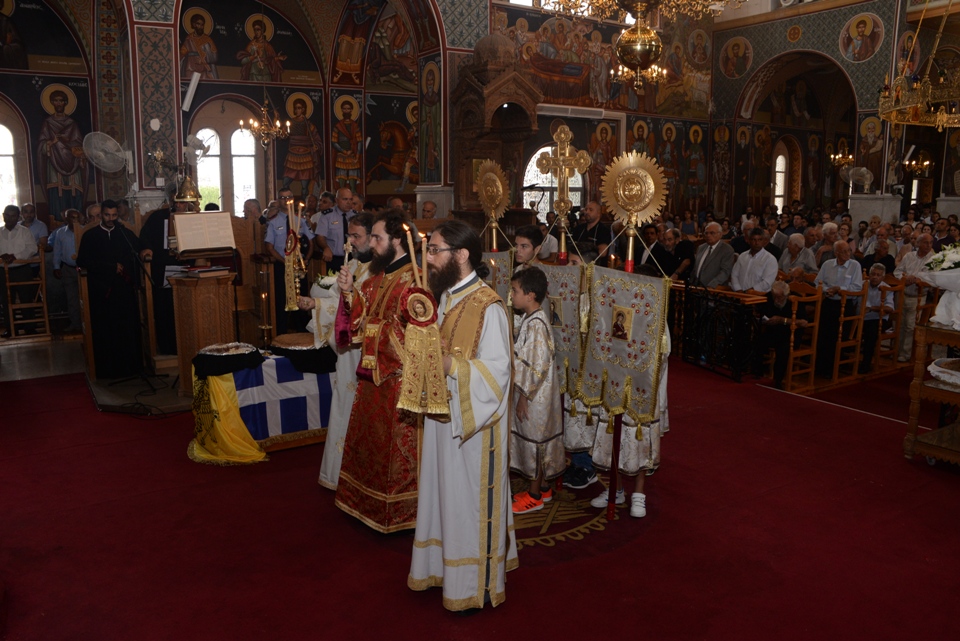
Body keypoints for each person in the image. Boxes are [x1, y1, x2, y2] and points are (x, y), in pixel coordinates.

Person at [409, 219, 518, 610]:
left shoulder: (489, 306)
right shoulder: (444, 298)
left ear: (462, 254)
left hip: (474, 430)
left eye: (435, 250)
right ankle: (441, 570)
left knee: (466, 502)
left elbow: (499, 373)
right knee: (443, 496)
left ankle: (473, 584)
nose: (429, 258)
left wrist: (450, 366)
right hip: (443, 418)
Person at [334, 208, 420, 532]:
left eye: (377, 238)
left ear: (397, 240)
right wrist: (348, 292)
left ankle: (399, 511)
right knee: (368, 446)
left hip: (398, 382)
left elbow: (417, 337)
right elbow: (355, 324)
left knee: (394, 454)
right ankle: (363, 503)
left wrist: (375, 329)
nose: (371, 244)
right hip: (371, 379)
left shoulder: (415, 280)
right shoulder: (375, 279)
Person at [300, 212, 374, 490]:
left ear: (373, 237)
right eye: (349, 235)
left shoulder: (380, 270)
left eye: (357, 236)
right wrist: (316, 304)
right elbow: (338, 302)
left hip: (367, 349)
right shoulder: (352, 264)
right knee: (344, 402)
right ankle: (339, 472)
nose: (350, 242)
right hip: (349, 351)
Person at [75, 200, 152, 378]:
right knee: (106, 330)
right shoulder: (90, 236)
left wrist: (145, 251)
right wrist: (109, 267)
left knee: (127, 328)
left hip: (124, 289)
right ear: (101, 215)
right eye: (107, 215)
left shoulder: (125, 233)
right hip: (102, 290)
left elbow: (139, 247)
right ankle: (107, 370)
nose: (111, 219)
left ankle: (131, 368)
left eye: (114, 215)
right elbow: (83, 261)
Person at [509, 267, 563, 514]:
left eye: (515, 291)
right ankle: (543, 487)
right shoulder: (532, 319)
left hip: (535, 396)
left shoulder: (537, 325)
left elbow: (535, 366)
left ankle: (533, 496)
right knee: (538, 440)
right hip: (537, 393)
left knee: (536, 443)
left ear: (530, 295)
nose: (512, 295)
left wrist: (524, 397)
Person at [263, 199, 314, 335]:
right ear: (279, 201)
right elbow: (269, 246)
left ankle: (302, 334)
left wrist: (306, 259)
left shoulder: (301, 220)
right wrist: (284, 262)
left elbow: (311, 241)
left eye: (288, 197)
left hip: (299, 266)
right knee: (281, 300)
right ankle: (282, 334)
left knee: (301, 298)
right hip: (282, 266)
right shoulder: (273, 222)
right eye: (283, 198)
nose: (286, 201)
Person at [814, 240, 863, 377]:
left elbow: (857, 287)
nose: (848, 253)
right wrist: (827, 290)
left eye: (849, 250)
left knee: (837, 337)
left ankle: (833, 369)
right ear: (836, 253)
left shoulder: (854, 265)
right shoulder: (827, 264)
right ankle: (820, 367)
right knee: (823, 335)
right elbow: (817, 282)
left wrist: (840, 289)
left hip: (845, 305)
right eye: (844, 251)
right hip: (829, 302)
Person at [38, 90, 85, 218]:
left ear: (65, 103)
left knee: (75, 191)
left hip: (72, 163)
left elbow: (79, 144)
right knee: (56, 192)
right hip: (54, 162)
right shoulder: (48, 123)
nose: (58, 103)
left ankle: (77, 222)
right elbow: (41, 146)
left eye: (61, 101)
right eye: (56, 101)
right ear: (52, 103)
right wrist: (53, 142)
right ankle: (58, 222)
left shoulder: (72, 124)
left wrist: (69, 144)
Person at [754, 280, 807, 389]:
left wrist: (782, 320)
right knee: (757, 341)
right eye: (774, 297)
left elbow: (803, 322)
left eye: (779, 297)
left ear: (787, 295)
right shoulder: (769, 297)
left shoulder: (796, 299)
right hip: (772, 332)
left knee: (783, 349)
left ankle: (777, 381)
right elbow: (758, 312)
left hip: (790, 335)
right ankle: (757, 375)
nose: (776, 300)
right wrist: (763, 319)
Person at [894, 233, 934, 362]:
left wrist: (918, 279)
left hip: (918, 295)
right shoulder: (909, 256)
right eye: (925, 242)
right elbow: (897, 271)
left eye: (931, 243)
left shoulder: (933, 259)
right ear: (918, 243)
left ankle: (905, 354)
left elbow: (932, 278)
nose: (928, 245)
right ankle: (896, 351)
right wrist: (905, 278)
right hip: (903, 294)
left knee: (910, 326)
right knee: (899, 324)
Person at [0, 205, 37, 338]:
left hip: (22, 269)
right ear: (3, 216)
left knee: (26, 298)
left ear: (18, 217)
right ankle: (10, 328)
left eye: (13, 216)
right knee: (6, 300)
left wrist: (15, 256)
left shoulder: (24, 231)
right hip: (3, 271)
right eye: (7, 215)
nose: (10, 218)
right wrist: (2, 256)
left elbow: (32, 248)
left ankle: (30, 327)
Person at [51, 208, 83, 333]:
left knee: (86, 297)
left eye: (77, 217)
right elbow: (57, 250)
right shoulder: (60, 233)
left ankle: (88, 324)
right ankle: (76, 324)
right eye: (72, 217)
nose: (75, 220)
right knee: (71, 298)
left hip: (84, 269)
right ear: (66, 219)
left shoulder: (84, 230)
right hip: (68, 269)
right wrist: (56, 266)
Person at [282, 98, 323, 195]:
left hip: (305, 157)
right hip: (292, 156)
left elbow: (316, 139)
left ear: (303, 109)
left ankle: (305, 202)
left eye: (299, 108)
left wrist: (316, 146)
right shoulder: (290, 123)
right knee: (285, 183)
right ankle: (288, 200)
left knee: (305, 186)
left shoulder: (309, 124)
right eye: (295, 108)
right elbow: (283, 135)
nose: (297, 110)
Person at [859, 264, 894, 374]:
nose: (875, 277)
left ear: (882, 277)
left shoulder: (887, 288)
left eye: (878, 275)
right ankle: (843, 360)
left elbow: (890, 308)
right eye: (873, 274)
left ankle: (865, 364)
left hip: (878, 319)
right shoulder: (862, 284)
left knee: (871, 333)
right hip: (860, 318)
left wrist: (872, 308)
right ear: (869, 275)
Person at [314, 188, 356, 273]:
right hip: (334, 258)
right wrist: (325, 247)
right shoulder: (327, 215)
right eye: (345, 199)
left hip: (353, 258)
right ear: (337, 200)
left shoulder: (355, 216)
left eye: (350, 199)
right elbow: (320, 236)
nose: (348, 202)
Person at [731, 228, 778, 294]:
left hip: (758, 296)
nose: (757, 243)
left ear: (764, 241)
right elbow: (734, 274)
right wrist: (738, 289)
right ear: (749, 240)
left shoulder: (770, 259)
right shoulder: (742, 256)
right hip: (739, 294)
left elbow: (767, 282)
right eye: (754, 240)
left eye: (760, 240)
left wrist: (749, 291)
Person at [691, 222, 734, 288]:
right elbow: (695, 268)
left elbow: (725, 272)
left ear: (720, 234)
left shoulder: (727, 250)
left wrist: (711, 286)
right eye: (706, 233)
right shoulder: (701, 248)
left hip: (714, 289)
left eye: (712, 233)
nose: (708, 235)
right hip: (696, 288)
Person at [180, 12, 218, 79]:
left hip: (204, 68)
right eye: (198, 24)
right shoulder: (189, 39)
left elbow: (214, 57)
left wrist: (206, 50)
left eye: (202, 25)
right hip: (191, 68)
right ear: (194, 24)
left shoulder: (207, 39)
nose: (200, 27)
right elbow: (182, 53)